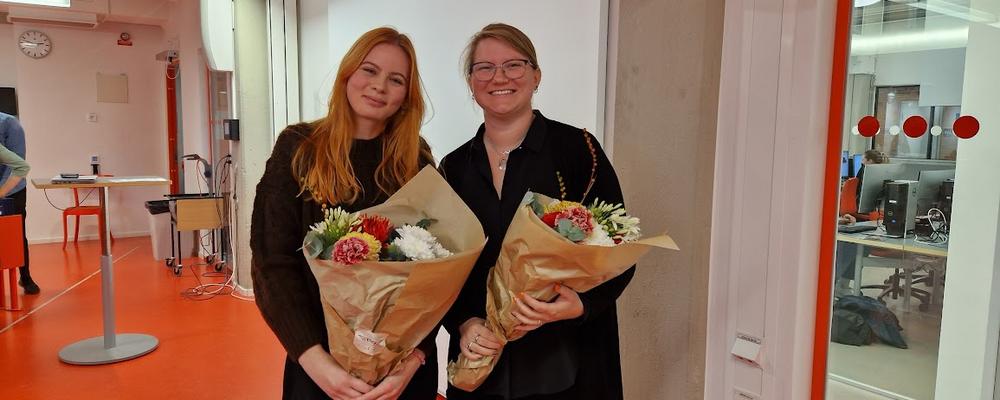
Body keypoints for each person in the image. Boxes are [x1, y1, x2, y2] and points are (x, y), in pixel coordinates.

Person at [439, 23, 633, 400]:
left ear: (536, 75)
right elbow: (443, 268)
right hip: (482, 364)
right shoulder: (454, 167)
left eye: (514, 65)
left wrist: (579, 305)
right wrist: (463, 323)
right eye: (484, 67)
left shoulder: (579, 150)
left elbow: (620, 247)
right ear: (471, 81)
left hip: (567, 363)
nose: (499, 77)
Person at [250, 27, 437, 400]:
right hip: (321, 368)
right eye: (369, 70)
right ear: (348, 74)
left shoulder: (416, 159)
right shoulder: (298, 148)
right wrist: (314, 360)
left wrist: (414, 358)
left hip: (400, 372)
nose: (379, 86)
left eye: (396, 79)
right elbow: (272, 262)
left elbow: (438, 270)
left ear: (406, 96)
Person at [0, 112, 36, 294]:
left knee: (16, 233)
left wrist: (1, 192)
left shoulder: (9, 123)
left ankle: (25, 277)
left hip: (13, 187)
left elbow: (18, 165)